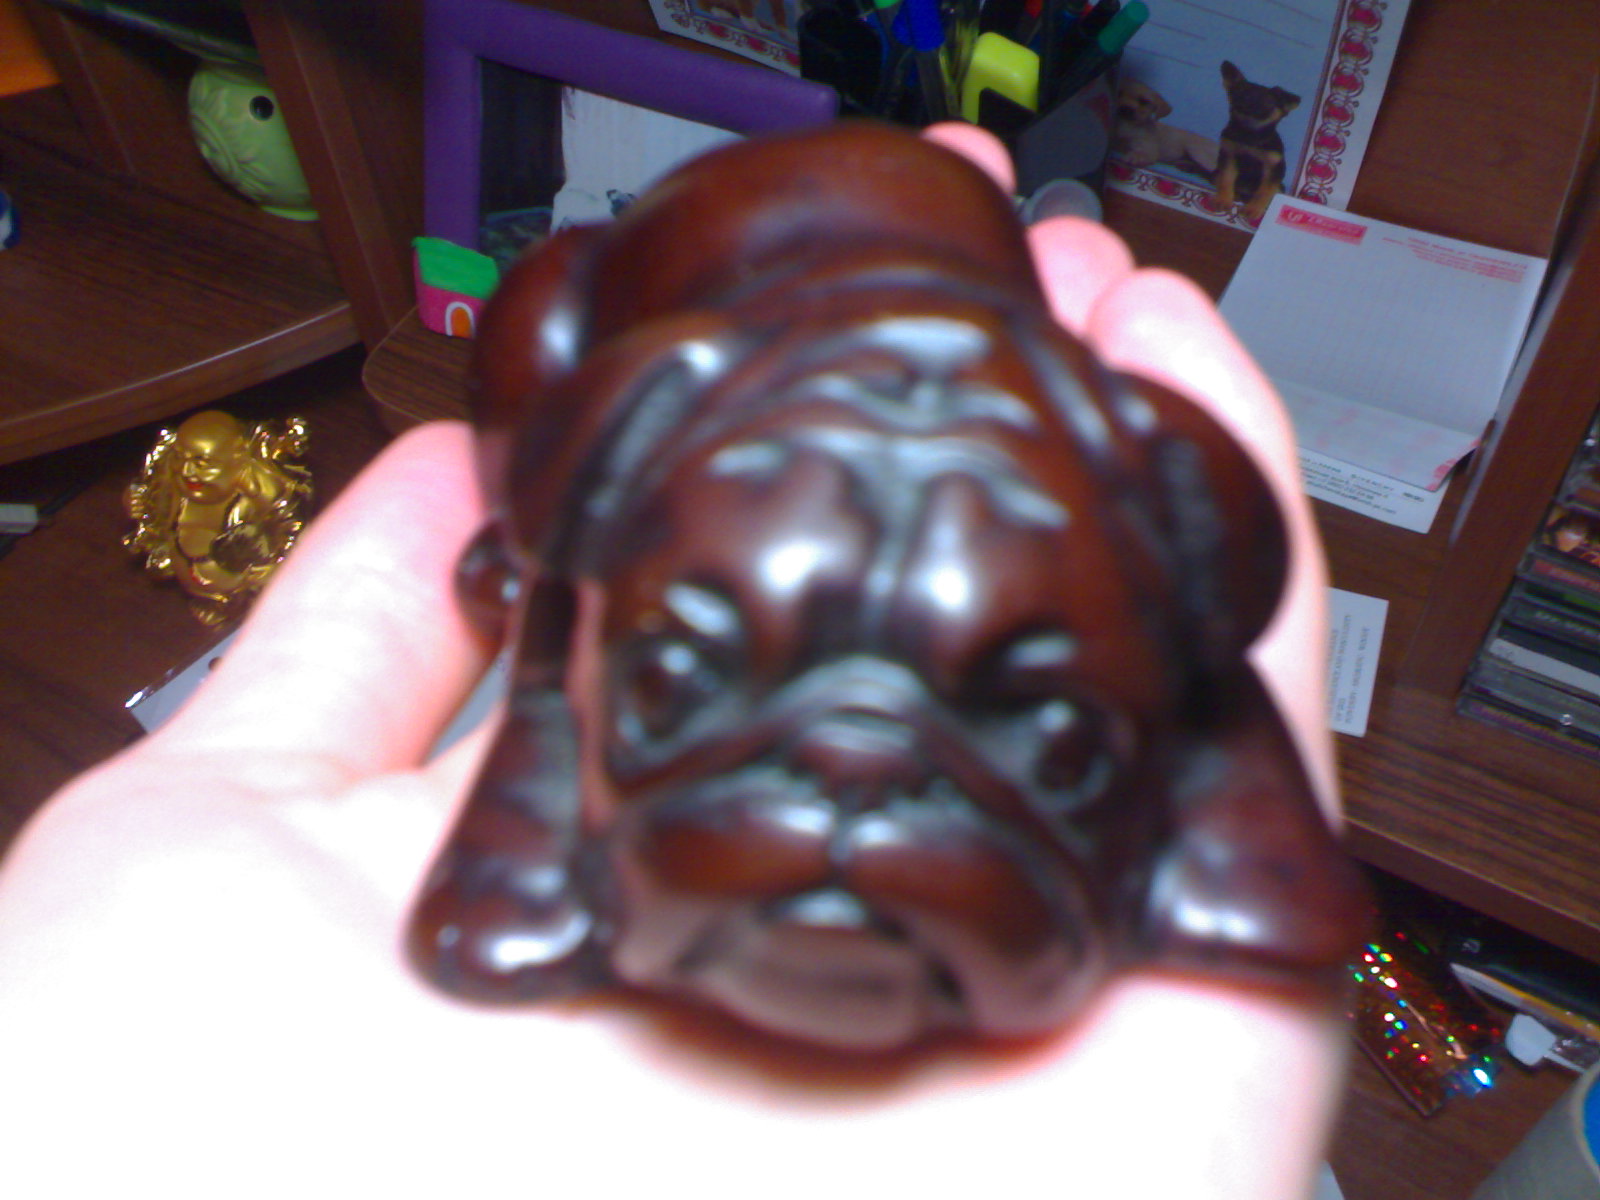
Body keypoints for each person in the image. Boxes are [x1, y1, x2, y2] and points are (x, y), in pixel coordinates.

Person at [0, 125, 1345, 1199]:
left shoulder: (1114, 492)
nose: (847, 792)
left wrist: (1242, 847)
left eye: (1041, 727)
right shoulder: (646, 427)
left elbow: (1209, 691)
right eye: (689, 679)